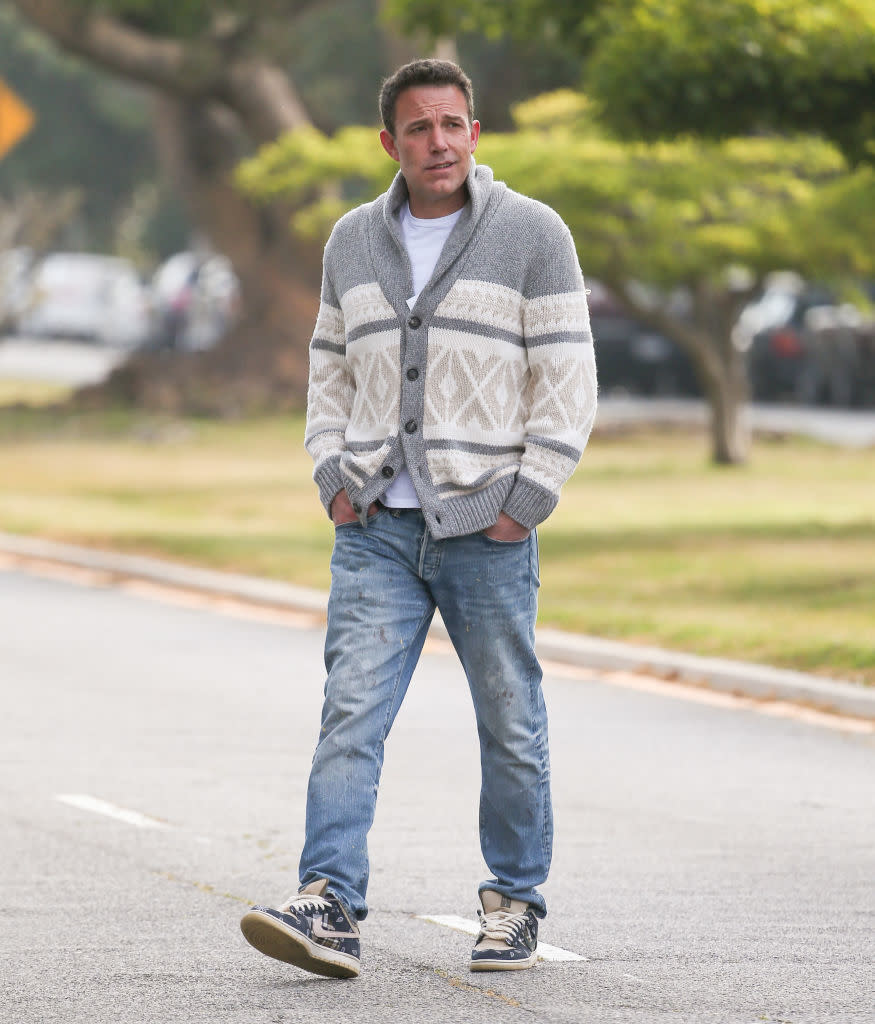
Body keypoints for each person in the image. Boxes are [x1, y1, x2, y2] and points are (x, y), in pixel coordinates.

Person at [240, 58, 598, 979]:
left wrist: (527, 500)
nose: (437, 142)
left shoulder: (532, 234)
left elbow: (566, 379)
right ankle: (327, 901)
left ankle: (513, 901)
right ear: (388, 142)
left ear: (473, 133)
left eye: (452, 125)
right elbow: (327, 367)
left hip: (487, 528)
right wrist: (331, 473)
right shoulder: (352, 241)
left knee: (509, 719)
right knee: (349, 713)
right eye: (418, 128)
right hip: (375, 529)